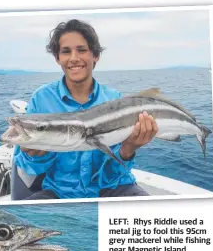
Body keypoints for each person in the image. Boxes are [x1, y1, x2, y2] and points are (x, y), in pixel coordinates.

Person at [11, 19, 158, 200]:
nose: (74, 58)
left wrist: (129, 149)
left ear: (95, 55)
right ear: (58, 58)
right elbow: (28, 168)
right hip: (59, 192)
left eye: (82, 50)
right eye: (66, 51)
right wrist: (38, 156)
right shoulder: (41, 99)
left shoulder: (115, 99)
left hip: (113, 187)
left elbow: (117, 169)